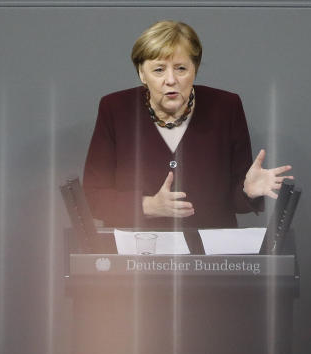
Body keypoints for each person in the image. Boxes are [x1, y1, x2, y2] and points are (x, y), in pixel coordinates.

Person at [83, 20, 292, 228]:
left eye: (181, 68)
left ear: (195, 69)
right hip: (138, 251)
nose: (171, 79)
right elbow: (94, 196)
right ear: (141, 73)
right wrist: (148, 206)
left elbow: (234, 200)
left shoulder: (227, 107)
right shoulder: (115, 108)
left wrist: (248, 190)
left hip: (210, 253)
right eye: (159, 70)